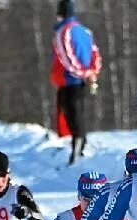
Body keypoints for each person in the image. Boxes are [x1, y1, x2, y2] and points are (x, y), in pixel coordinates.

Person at [50, 0, 102, 165]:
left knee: (72, 115)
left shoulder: (63, 32)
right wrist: (92, 72)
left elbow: (66, 57)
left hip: (69, 79)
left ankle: (78, 146)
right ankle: (78, 145)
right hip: (80, 80)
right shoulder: (85, 31)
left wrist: (82, 73)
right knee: (78, 112)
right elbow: (95, 54)